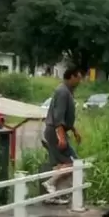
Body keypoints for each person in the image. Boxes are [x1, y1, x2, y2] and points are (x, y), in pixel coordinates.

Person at [42, 67, 83, 198]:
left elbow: (66, 118)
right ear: (71, 77)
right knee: (73, 163)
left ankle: (54, 195)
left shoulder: (68, 92)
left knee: (62, 164)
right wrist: (61, 137)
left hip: (57, 131)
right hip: (55, 131)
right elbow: (58, 117)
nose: (80, 81)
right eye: (78, 78)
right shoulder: (62, 92)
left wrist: (74, 130)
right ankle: (50, 183)